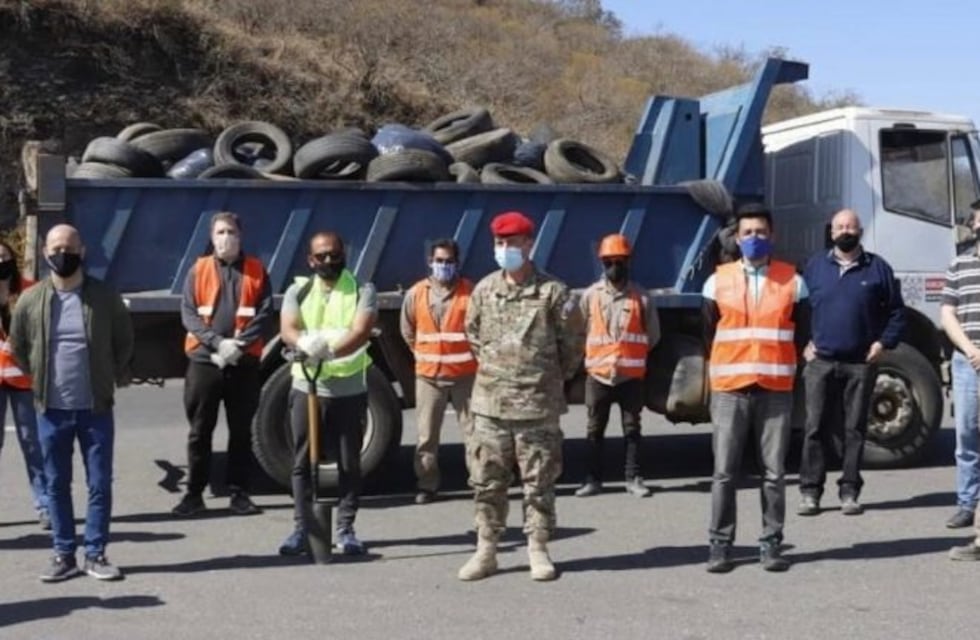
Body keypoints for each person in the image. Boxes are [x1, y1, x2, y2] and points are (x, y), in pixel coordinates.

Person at [458, 211, 584, 582]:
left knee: (539, 481)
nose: (506, 249)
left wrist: (542, 378)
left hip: (537, 406)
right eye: (500, 243)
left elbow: (572, 346)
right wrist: (501, 373)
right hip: (490, 406)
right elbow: (475, 336)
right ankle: (486, 550)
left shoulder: (553, 293)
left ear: (529, 245)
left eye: (513, 243)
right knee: (486, 481)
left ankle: (538, 549)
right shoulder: (483, 290)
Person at [10, 223, 134, 582]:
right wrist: (37, 376)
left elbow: (124, 340)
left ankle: (95, 553)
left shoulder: (103, 296)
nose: (62, 253)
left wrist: (112, 376)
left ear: (82, 251)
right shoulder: (32, 300)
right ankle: (64, 553)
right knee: (56, 484)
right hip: (51, 409)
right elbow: (18, 347)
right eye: (55, 247)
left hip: (95, 409)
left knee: (99, 484)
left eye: (69, 247)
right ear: (46, 253)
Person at [702, 203, 808, 573]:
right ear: (736, 237)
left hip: (775, 390)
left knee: (774, 473)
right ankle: (720, 545)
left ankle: (771, 544)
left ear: (772, 236)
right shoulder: (717, 281)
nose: (754, 238)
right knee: (724, 473)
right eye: (747, 233)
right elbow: (708, 335)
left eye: (761, 232)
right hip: (730, 389)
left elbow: (802, 335)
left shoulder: (794, 281)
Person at [798, 208, 905, 517]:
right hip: (820, 362)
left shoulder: (878, 268)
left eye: (851, 227)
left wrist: (882, 343)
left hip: (861, 362)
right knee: (814, 427)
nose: (845, 231)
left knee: (854, 430)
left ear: (860, 231)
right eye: (840, 227)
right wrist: (804, 342)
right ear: (831, 232)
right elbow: (799, 309)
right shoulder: (815, 267)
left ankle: (849, 491)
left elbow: (897, 312)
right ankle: (810, 492)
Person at [277, 231, 376, 557]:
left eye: (334, 254)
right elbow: (288, 328)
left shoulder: (362, 289)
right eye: (321, 256)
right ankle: (302, 528)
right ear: (310, 260)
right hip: (307, 386)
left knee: (349, 462)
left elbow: (361, 331)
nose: (328, 261)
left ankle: (346, 530)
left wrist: (328, 353)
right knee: (302, 461)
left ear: (344, 254)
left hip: (348, 387)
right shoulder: (299, 289)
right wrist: (304, 345)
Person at [172, 212, 273, 518]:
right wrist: (217, 343)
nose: (225, 237)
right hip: (205, 361)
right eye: (220, 232)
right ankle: (193, 495)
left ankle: (239, 494)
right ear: (211, 237)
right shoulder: (198, 269)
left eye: (230, 232)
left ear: (240, 236)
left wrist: (238, 346)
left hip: (242, 363)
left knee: (241, 431)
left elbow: (265, 312)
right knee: (200, 431)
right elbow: (188, 313)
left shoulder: (256, 270)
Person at [575, 233, 660, 498]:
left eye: (620, 261)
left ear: (628, 262)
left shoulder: (642, 298)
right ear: (602, 263)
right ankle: (592, 480)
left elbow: (653, 336)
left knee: (632, 428)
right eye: (609, 261)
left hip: (630, 377)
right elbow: (578, 332)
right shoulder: (590, 296)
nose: (615, 266)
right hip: (598, 376)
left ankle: (633, 478)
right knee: (594, 429)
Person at [400, 238, 476, 505]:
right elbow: (407, 330)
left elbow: (480, 332)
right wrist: (423, 355)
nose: (444, 265)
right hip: (429, 376)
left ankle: (479, 483)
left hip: (465, 376)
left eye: (449, 261)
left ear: (457, 263)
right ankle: (427, 485)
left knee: (474, 434)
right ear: (430, 262)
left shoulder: (470, 292)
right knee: (426, 436)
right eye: (439, 261)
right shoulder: (417, 293)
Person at [0, 239, 49, 529]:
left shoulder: (30, 291)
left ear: (13, 260)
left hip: (24, 381)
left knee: (34, 444)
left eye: (4, 256)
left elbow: (43, 333)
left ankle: (45, 505)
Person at [942, 202, 980, 552]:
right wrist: (970, 349)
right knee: (967, 436)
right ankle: (967, 504)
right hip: (968, 362)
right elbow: (947, 313)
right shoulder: (959, 264)